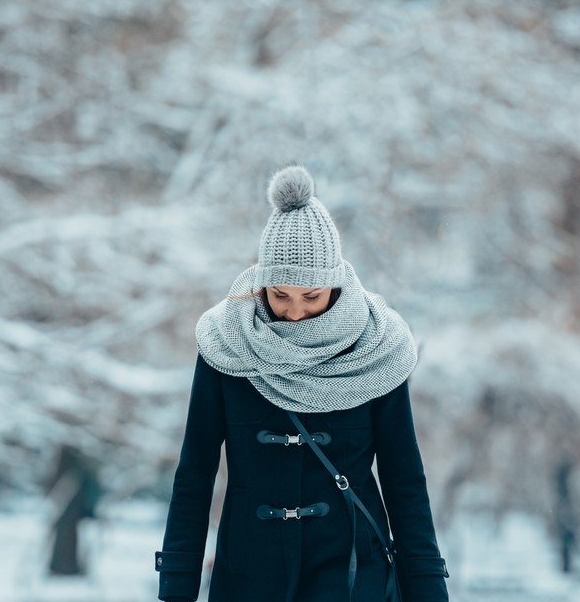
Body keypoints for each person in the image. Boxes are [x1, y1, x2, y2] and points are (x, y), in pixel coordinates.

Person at [155, 165, 449, 601]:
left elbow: (403, 478)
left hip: (352, 574)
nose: (294, 312)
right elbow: (195, 473)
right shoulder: (225, 344)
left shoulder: (378, 347)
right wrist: (177, 585)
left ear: (334, 285)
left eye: (311, 297)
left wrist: (428, 588)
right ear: (262, 285)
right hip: (249, 573)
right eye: (280, 295)